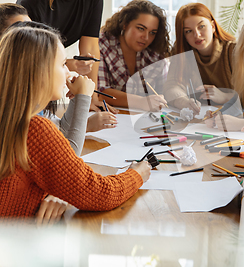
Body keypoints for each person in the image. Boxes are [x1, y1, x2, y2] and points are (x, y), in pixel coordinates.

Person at [0, 24, 151, 226]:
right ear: (40, 70)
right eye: (63, 64)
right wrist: (137, 174)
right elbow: (100, 194)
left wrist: (57, 191)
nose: (68, 71)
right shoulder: (33, 129)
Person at [16, 0, 112, 112]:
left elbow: (90, 48)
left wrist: (91, 97)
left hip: (48, 75)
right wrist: (67, 64)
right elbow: (26, 58)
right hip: (23, 84)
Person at [0, 5, 117, 151]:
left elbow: (60, 135)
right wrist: (82, 98)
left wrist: (77, 99)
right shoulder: (27, 119)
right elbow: (69, 158)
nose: (32, 35)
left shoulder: (33, 102)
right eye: (21, 31)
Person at [98, 0, 170, 111]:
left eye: (152, 33)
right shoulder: (102, 44)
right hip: (109, 117)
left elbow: (164, 94)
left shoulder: (155, 54)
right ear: (125, 24)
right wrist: (141, 102)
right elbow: (101, 93)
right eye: (141, 28)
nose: (146, 37)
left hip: (143, 120)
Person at [167, 2, 236, 114]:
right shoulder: (181, 51)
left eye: (201, 26)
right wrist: (184, 102)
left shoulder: (233, 50)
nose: (197, 35)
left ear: (213, 26)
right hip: (200, 118)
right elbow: (171, 86)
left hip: (233, 118)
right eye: (188, 31)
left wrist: (225, 96)